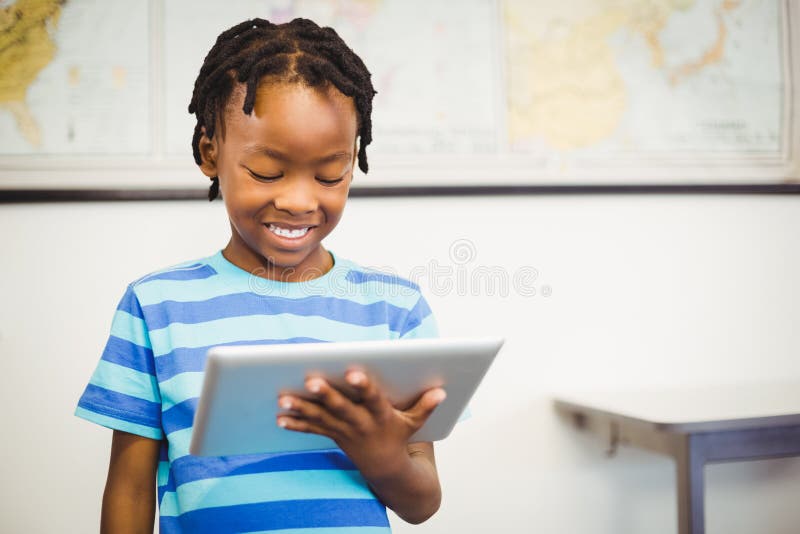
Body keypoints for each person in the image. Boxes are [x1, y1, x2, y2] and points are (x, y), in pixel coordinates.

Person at [75, 17, 445, 534]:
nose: (298, 200)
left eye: (330, 175)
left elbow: (423, 504)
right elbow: (131, 489)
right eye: (267, 172)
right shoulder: (154, 306)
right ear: (210, 153)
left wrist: (380, 454)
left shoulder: (394, 308)